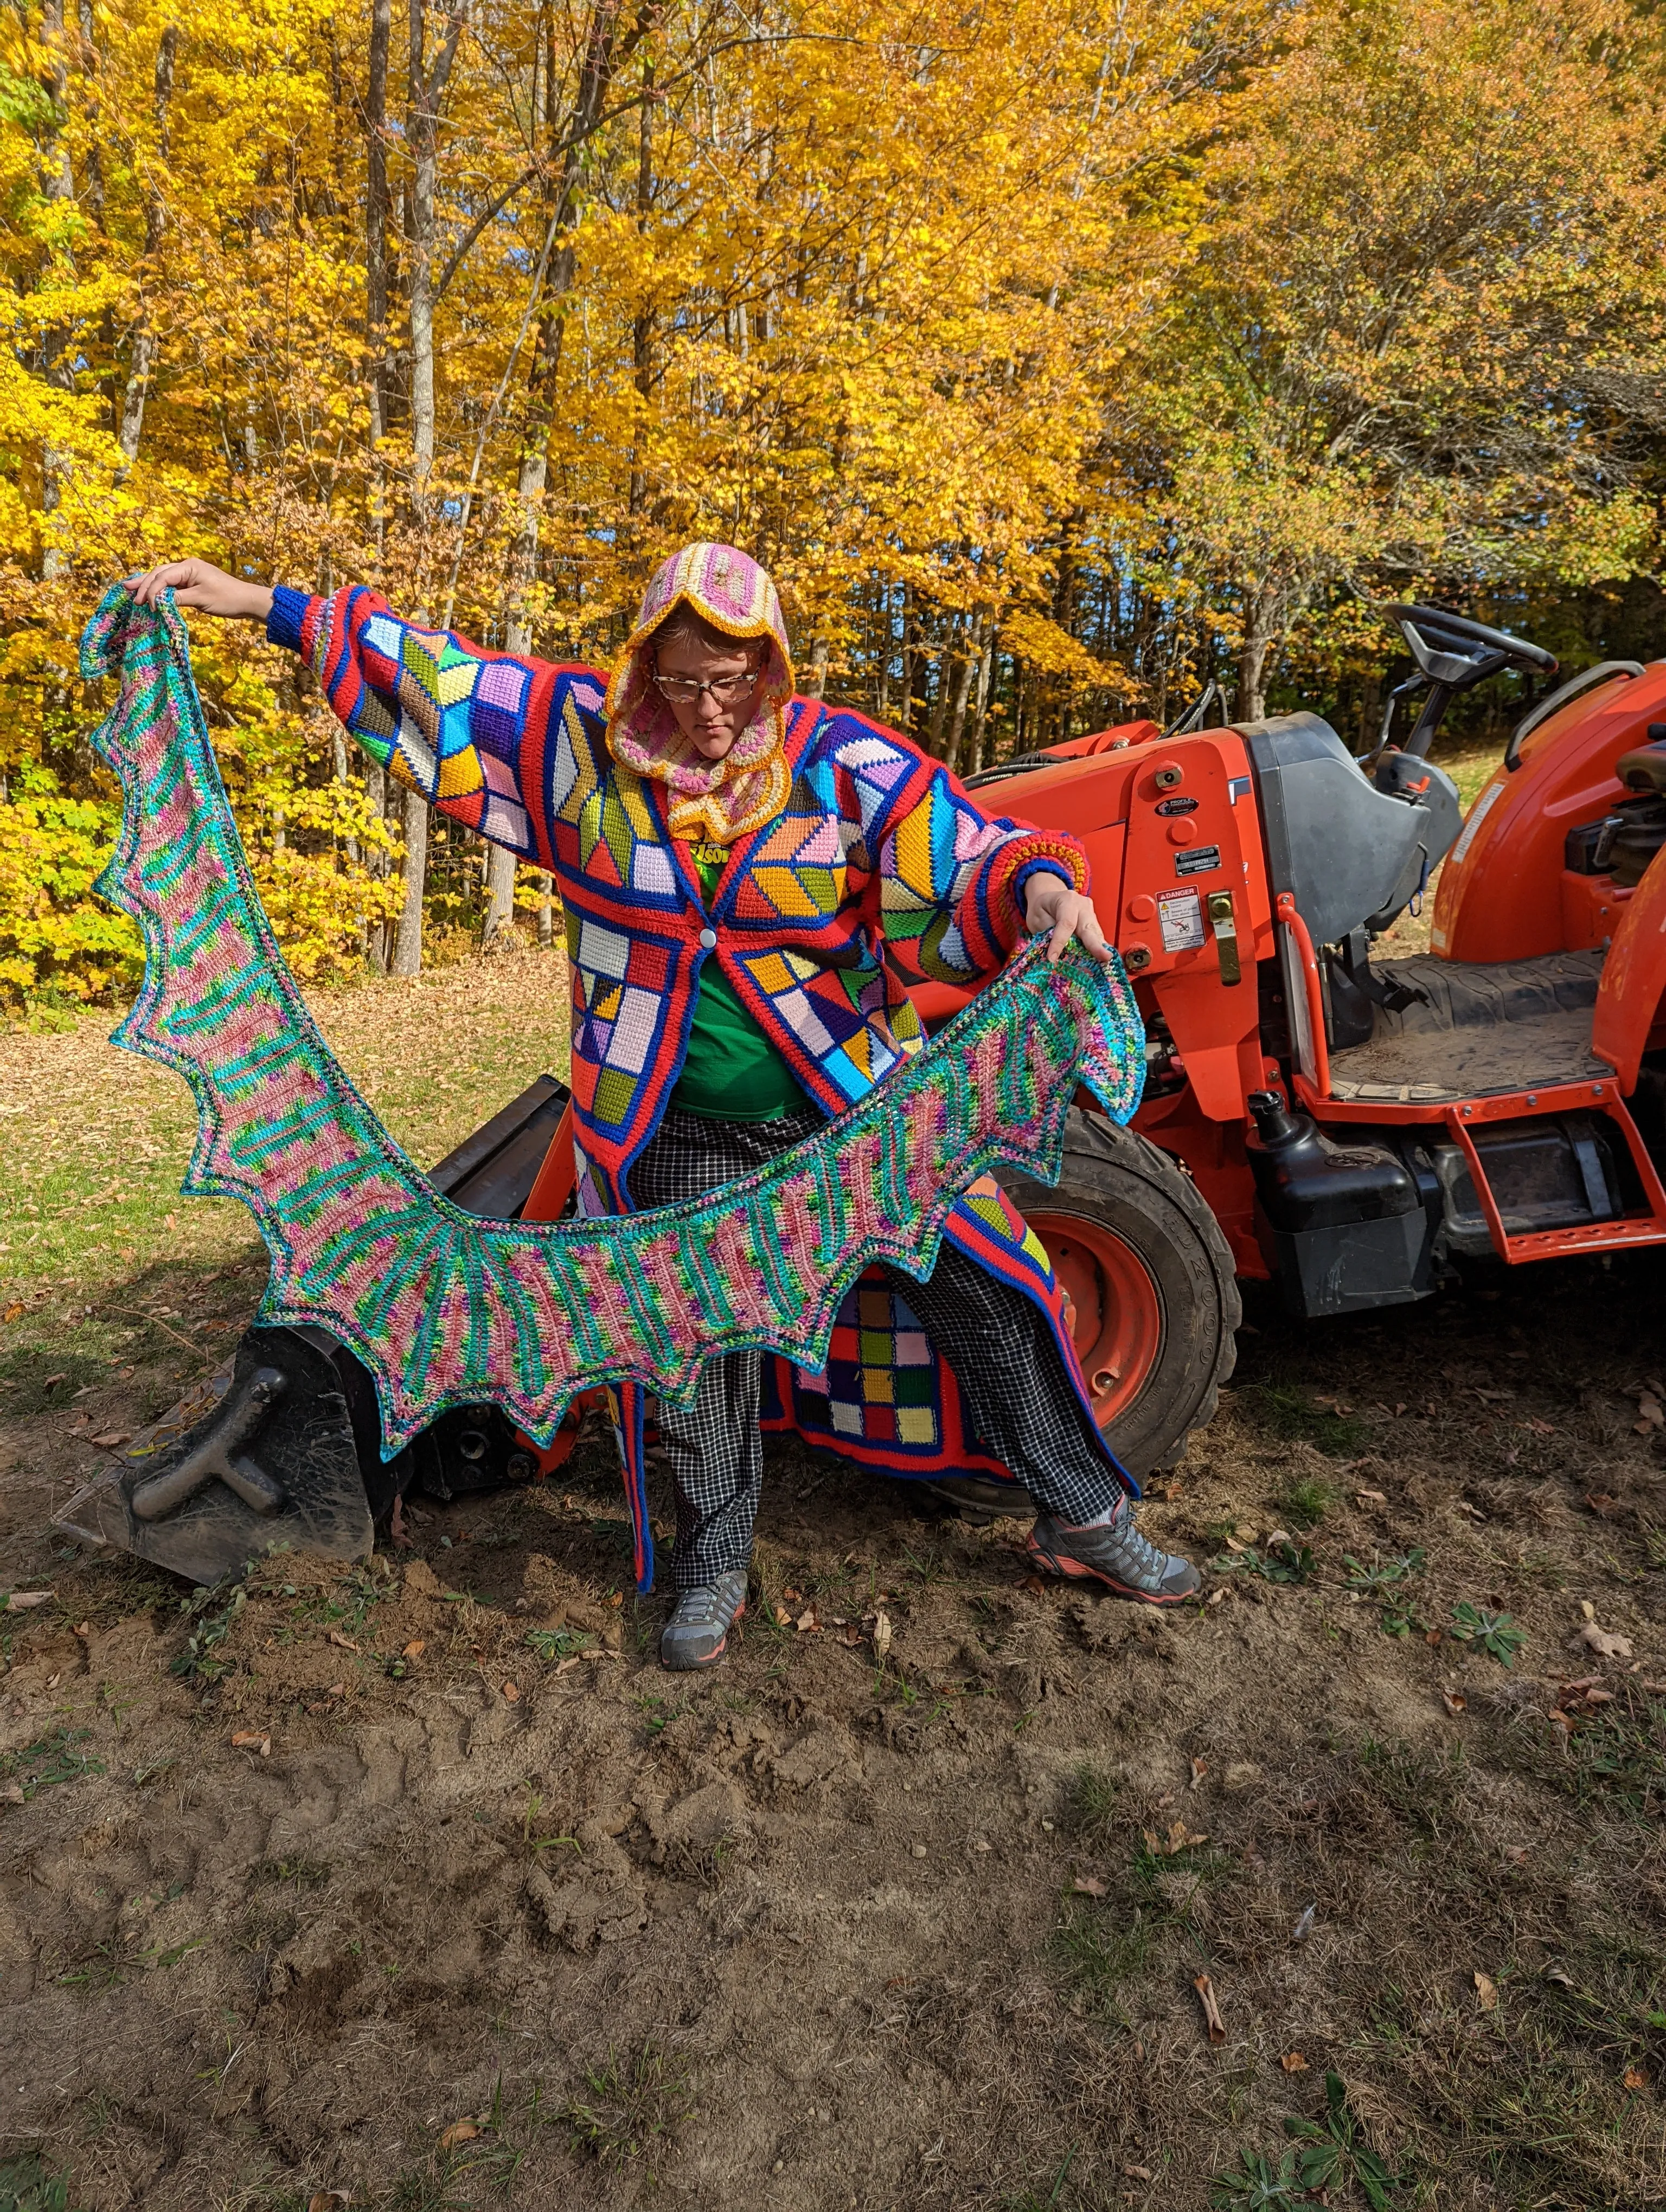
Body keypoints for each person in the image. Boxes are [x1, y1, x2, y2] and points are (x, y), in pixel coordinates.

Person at [130, 544, 1201, 1667]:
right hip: (668, 1123)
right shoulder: (579, 753)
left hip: (849, 1107)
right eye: (684, 682)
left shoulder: (837, 764)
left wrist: (1037, 884)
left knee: (986, 1280)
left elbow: (962, 846)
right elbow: (437, 682)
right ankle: (714, 1558)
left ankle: (1082, 1514)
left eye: (733, 680)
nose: (709, 710)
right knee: (688, 1338)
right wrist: (263, 604)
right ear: (646, 671)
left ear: (772, 668)